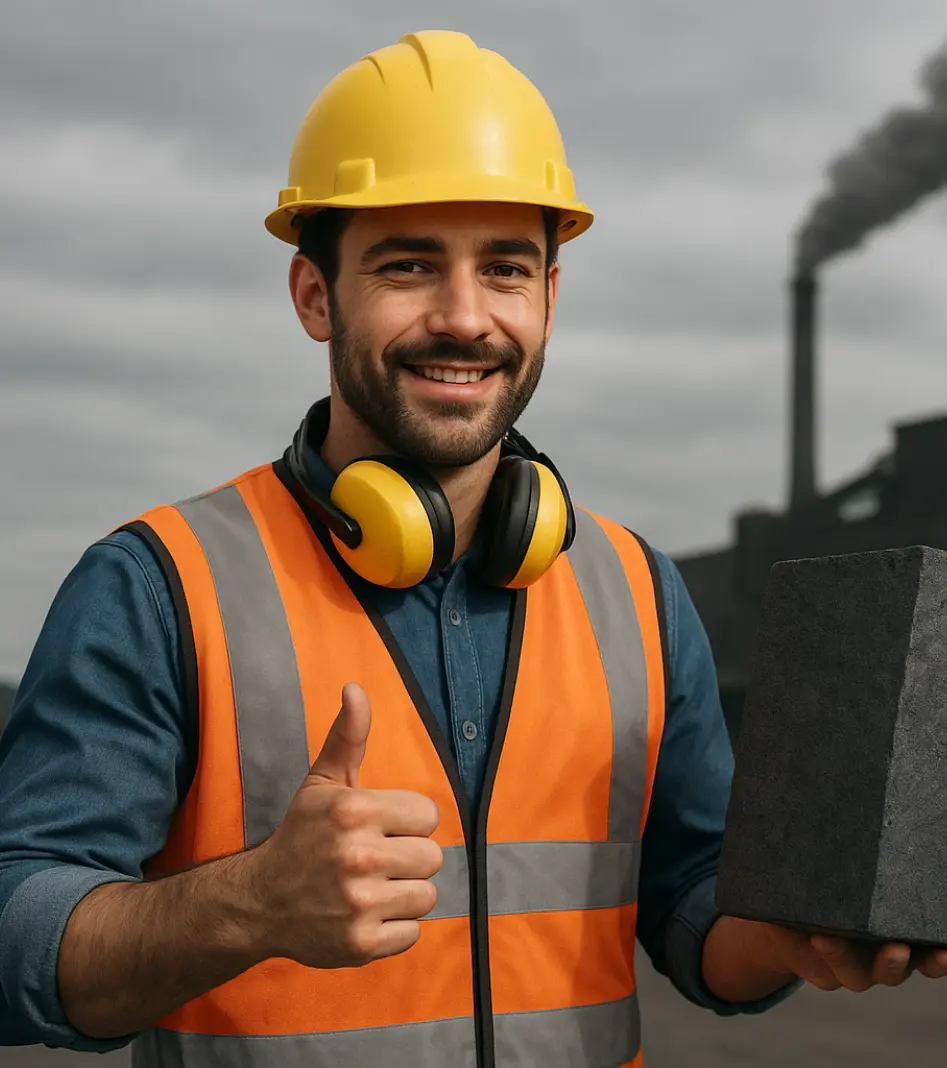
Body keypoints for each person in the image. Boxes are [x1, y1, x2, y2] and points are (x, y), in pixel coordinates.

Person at [1, 28, 945, 1068]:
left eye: (504, 268)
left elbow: (694, 903)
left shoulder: (633, 591)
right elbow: (19, 933)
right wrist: (242, 906)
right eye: (408, 265)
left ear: (549, 297)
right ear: (314, 296)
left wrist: (790, 932)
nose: (463, 317)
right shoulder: (159, 585)